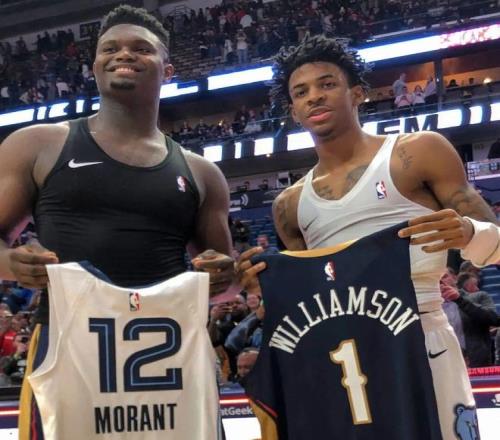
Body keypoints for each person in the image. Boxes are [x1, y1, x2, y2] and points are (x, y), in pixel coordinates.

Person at [238, 35, 499, 438]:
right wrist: (261, 289)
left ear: (358, 93)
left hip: (422, 333)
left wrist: (469, 232)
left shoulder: (418, 152)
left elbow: (495, 243)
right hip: (344, 354)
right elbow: (311, 298)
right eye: (301, 92)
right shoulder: (289, 204)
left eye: (327, 84)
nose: (314, 97)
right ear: (293, 111)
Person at [0, 6, 234, 439]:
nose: (123, 54)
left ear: (168, 70)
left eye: (140, 48)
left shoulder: (202, 172)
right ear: (94, 66)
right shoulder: (37, 144)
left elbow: (228, 282)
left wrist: (226, 275)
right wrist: (11, 263)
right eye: (110, 48)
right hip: (71, 351)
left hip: (169, 357)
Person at [452, 272, 500, 366]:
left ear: (454, 278)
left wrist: (460, 300)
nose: (477, 288)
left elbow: (494, 319)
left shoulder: (480, 295)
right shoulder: (439, 304)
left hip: (476, 356)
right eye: (474, 285)